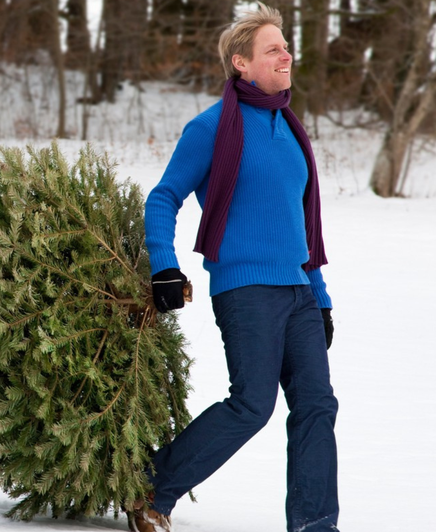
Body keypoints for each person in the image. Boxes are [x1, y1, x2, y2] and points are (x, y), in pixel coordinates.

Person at [135, 3, 339, 532]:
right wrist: (165, 267)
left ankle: (316, 525)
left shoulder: (292, 132)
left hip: (297, 290)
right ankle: (153, 488)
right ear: (241, 63)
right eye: (273, 48)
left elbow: (302, 227)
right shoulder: (211, 129)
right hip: (245, 288)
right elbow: (163, 199)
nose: (286, 54)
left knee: (318, 405)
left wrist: (320, 295)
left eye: (286, 46)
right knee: (252, 404)